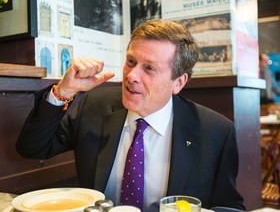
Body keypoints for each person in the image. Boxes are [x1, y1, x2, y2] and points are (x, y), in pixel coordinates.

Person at [16, 19, 245, 211]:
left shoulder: (214, 132)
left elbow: (229, 206)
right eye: (131, 62)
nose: (131, 75)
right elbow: (32, 148)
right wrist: (63, 91)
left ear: (178, 82)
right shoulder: (94, 105)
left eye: (149, 68)